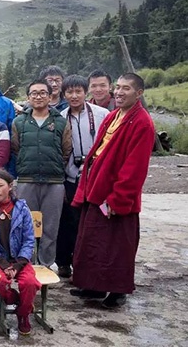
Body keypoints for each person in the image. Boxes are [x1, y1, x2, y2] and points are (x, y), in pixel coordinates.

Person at [70, 73, 155, 309]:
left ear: (138, 93)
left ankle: (118, 291)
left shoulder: (142, 123)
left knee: (117, 247)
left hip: (115, 196)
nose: (119, 92)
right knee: (93, 241)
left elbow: (134, 169)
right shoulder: (113, 116)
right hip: (97, 188)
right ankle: (93, 286)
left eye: (126, 88)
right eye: (117, 87)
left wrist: (117, 200)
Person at [12, 79, 72, 267]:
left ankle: (46, 264)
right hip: (26, 180)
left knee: (50, 227)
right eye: (34, 93)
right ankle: (27, 264)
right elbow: (16, 148)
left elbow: (66, 150)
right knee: (26, 225)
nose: (38, 97)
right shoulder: (19, 122)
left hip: (54, 182)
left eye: (42, 93)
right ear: (28, 97)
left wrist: (54, 165)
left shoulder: (60, 122)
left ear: (49, 95)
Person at [55, 75, 109, 278]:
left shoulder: (102, 114)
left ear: (86, 92)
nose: (74, 96)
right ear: (64, 94)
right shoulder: (60, 117)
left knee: (93, 222)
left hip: (96, 177)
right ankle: (64, 262)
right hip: (70, 177)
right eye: (69, 92)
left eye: (78, 91)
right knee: (68, 221)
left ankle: (89, 265)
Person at [0, 169, 40, 336]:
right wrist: (3, 264)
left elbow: (29, 240)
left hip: (20, 260)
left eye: (0, 186)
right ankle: (17, 301)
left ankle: (23, 314)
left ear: (10, 186)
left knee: (29, 283)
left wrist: (17, 265)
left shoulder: (22, 208)